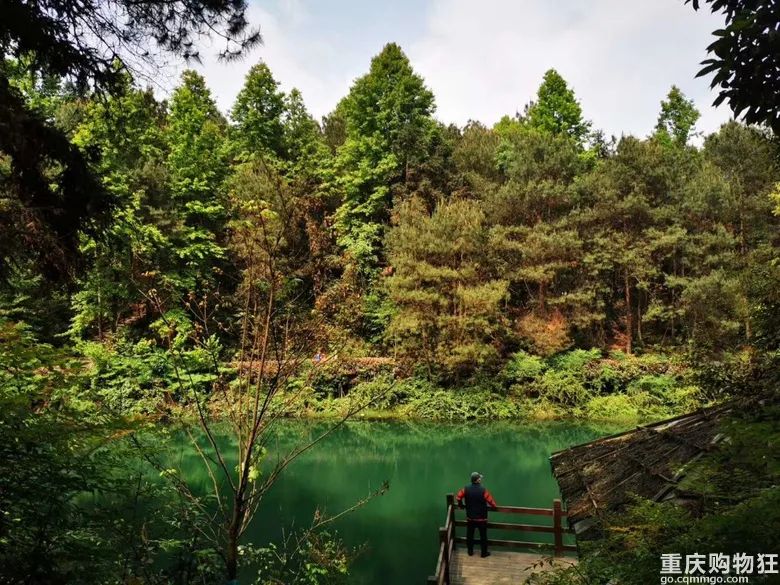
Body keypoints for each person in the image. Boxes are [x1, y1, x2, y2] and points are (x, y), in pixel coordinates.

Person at [456, 472, 498, 558]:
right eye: (480, 478)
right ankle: (483, 553)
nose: (481, 479)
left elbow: (458, 497)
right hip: (481, 518)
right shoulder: (483, 490)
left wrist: (460, 505)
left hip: (470, 518)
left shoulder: (466, 488)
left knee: (470, 535)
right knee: (483, 536)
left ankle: (470, 552)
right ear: (478, 480)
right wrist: (494, 507)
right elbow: (492, 502)